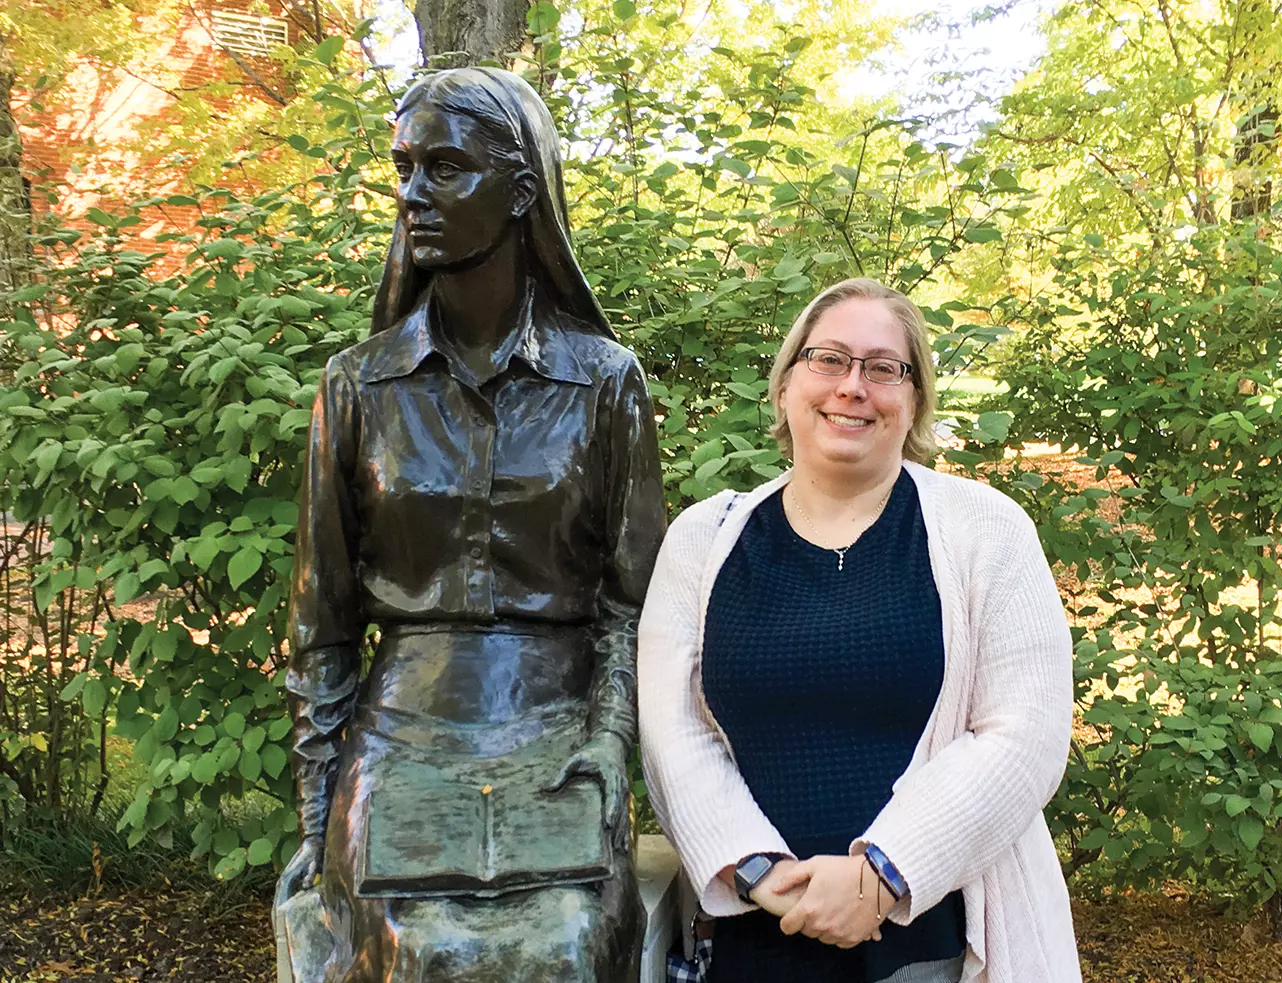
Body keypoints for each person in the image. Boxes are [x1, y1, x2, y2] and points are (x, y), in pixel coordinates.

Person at [276, 67, 667, 983]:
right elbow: (321, 623)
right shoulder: (357, 385)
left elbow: (633, 602)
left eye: (444, 168)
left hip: (560, 724)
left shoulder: (605, 381)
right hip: (402, 729)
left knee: (566, 948)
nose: (412, 195)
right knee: (411, 951)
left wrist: (611, 740)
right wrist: (320, 810)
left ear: (520, 188)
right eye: (404, 167)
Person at [638, 278, 1080, 983]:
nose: (853, 386)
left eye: (883, 367)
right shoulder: (705, 539)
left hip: (930, 953)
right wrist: (757, 870)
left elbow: (1024, 733)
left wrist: (880, 873)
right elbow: (671, 730)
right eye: (829, 360)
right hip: (752, 945)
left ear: (913, 399)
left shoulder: (987, 532)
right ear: (785, 387)